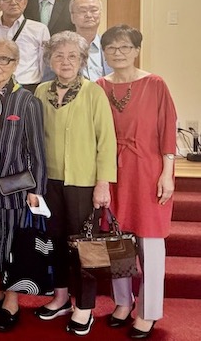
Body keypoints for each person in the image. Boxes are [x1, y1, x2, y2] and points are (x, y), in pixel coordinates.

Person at [34, 31, 117, 336]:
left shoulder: (94, 92)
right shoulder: (41, 91)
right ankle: (60, 297)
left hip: (83, 181)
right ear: (49, 60)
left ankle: (84, 307)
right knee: (55, 241)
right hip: (49, 181)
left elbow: (106, 141)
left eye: (72, 56)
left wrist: (103, 183)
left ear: (82, 60)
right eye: (59, 55)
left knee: (85, 247)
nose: (65, 61)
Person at [97, 25, 177, 339]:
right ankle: (122, 301)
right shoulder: (99, 86)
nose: (118, 53)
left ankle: (149, 311)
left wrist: (167, 173)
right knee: (117, 240)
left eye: (125, 47)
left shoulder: (155, 84)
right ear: (104, 52)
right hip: (112, 172)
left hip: (148, 170)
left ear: (137, 50)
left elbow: (168, 130)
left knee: (151, 242)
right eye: (111, 48)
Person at [0, 39, 47, 333]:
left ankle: (11, 303)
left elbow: (37, 151)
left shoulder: (27, 101)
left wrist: (37, 191)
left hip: (13, 189)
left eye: (3, 60)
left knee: (12, 247)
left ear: (15, 64)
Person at [70, 0, 112, 81]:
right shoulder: (61, 47)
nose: (88, 15)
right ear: (72, 17)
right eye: (82, 11)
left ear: (100, 15)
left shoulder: (111, 46)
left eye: (94, 10)